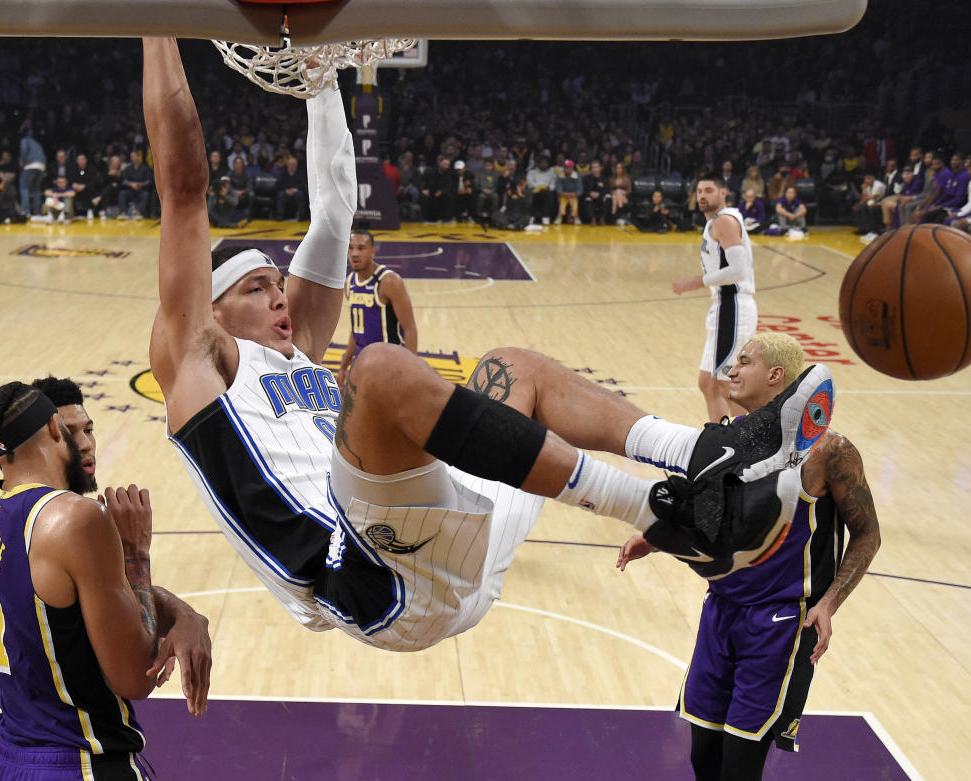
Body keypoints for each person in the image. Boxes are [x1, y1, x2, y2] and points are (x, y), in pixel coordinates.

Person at [142, 37, 835, 653]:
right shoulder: (198, 363)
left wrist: (321, 78)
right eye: (256, 288)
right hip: (364, 575)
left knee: (513, 370)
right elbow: (182, 186)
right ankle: (656, 508)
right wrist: (158, 21)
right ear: (207, 310)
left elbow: (333, 210)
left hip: (456, 557)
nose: (278, 296)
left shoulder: (296, 351)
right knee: (380, 369)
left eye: (277, 281)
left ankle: (698, 457)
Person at [617, 332, 880, 781]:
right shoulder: (730, 439)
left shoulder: (829, 450)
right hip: (722, 611)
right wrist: (658, 536)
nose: (731, 371)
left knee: (741, 768)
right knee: (704, 757)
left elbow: (867, 534)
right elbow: (710, 514)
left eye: (745, 362)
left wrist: (829, 603)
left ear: (776, 377)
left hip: (781, 623)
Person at [0, 379, 212, 781]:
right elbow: (136, 677)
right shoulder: (76, 518)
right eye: (72, 429)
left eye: (90, 429)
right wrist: (136, 551)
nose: (85, 443)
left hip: (14, 756)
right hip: (81, 773)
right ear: (52, 428)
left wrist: (182, 612)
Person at [672, 174, 759, 424]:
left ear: (723, 193)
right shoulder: (717, 222)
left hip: (732, 308)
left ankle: (727, 448)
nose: (702, 195)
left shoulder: (724, 222)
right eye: (699, 191)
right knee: (711, 384)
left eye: (709, 190)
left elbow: (739, 270)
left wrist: (696, 281)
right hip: (725, 308)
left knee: (721, 386)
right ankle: (734, 445)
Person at [336, 230, 418, 384]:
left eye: (361, 248)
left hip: (390, 362)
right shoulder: (349, 283)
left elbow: (410, 329)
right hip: (361, 362)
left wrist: (410, 371)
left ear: (372, 252)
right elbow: (357, 329)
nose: (354, 253)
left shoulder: (389, 281)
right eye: (350, 248)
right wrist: (343, 365)